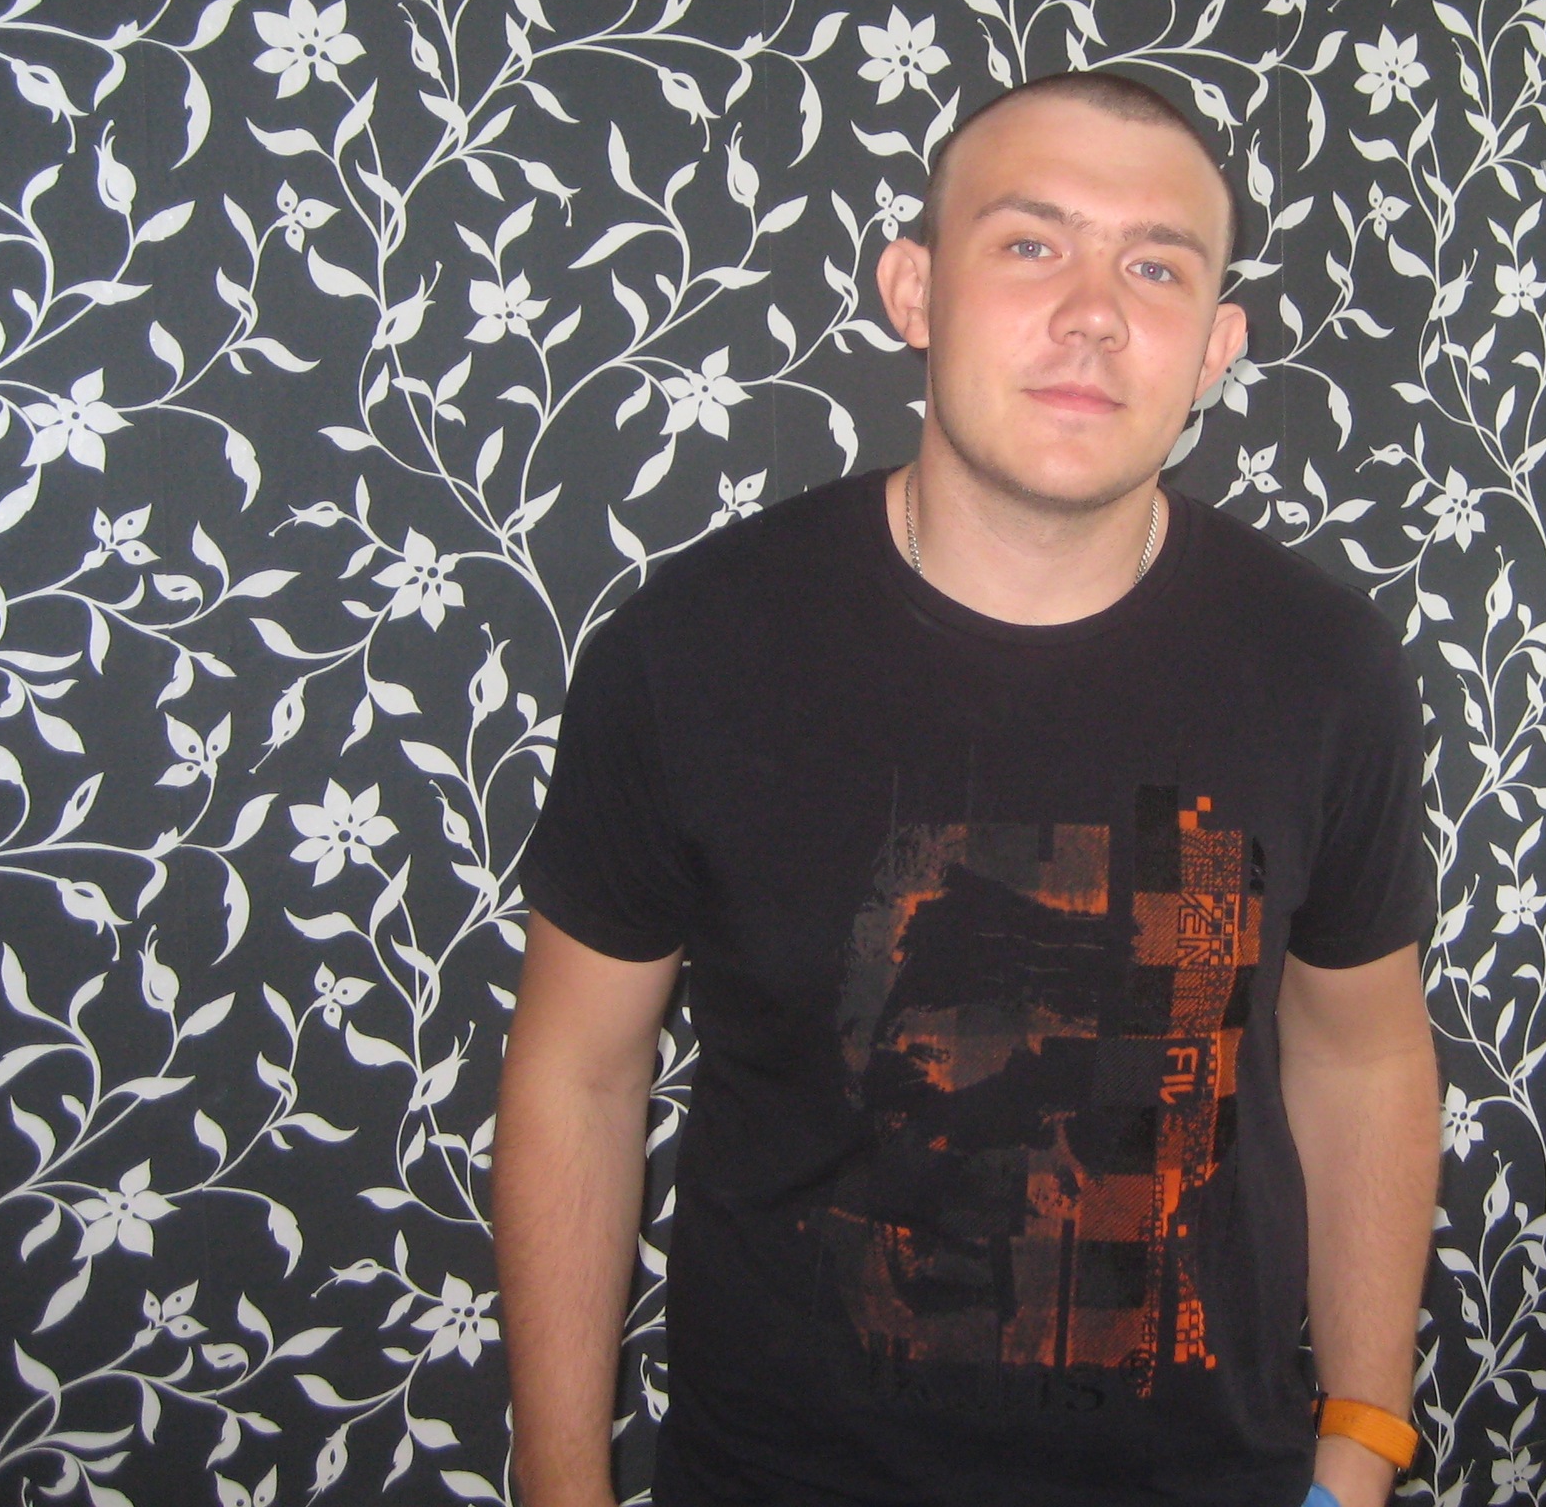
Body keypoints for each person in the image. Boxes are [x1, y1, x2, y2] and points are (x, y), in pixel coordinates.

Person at [492, 72, 1442, 1507]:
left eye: (1156, 267)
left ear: (1215, 349)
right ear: (915, 290)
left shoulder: (1322, 670)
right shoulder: (694, 650)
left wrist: (1362, 1445)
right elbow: (579, 1072)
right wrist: (560, 1488)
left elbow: (1363, 1059)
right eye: (1031, 243)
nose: (1094, 312)